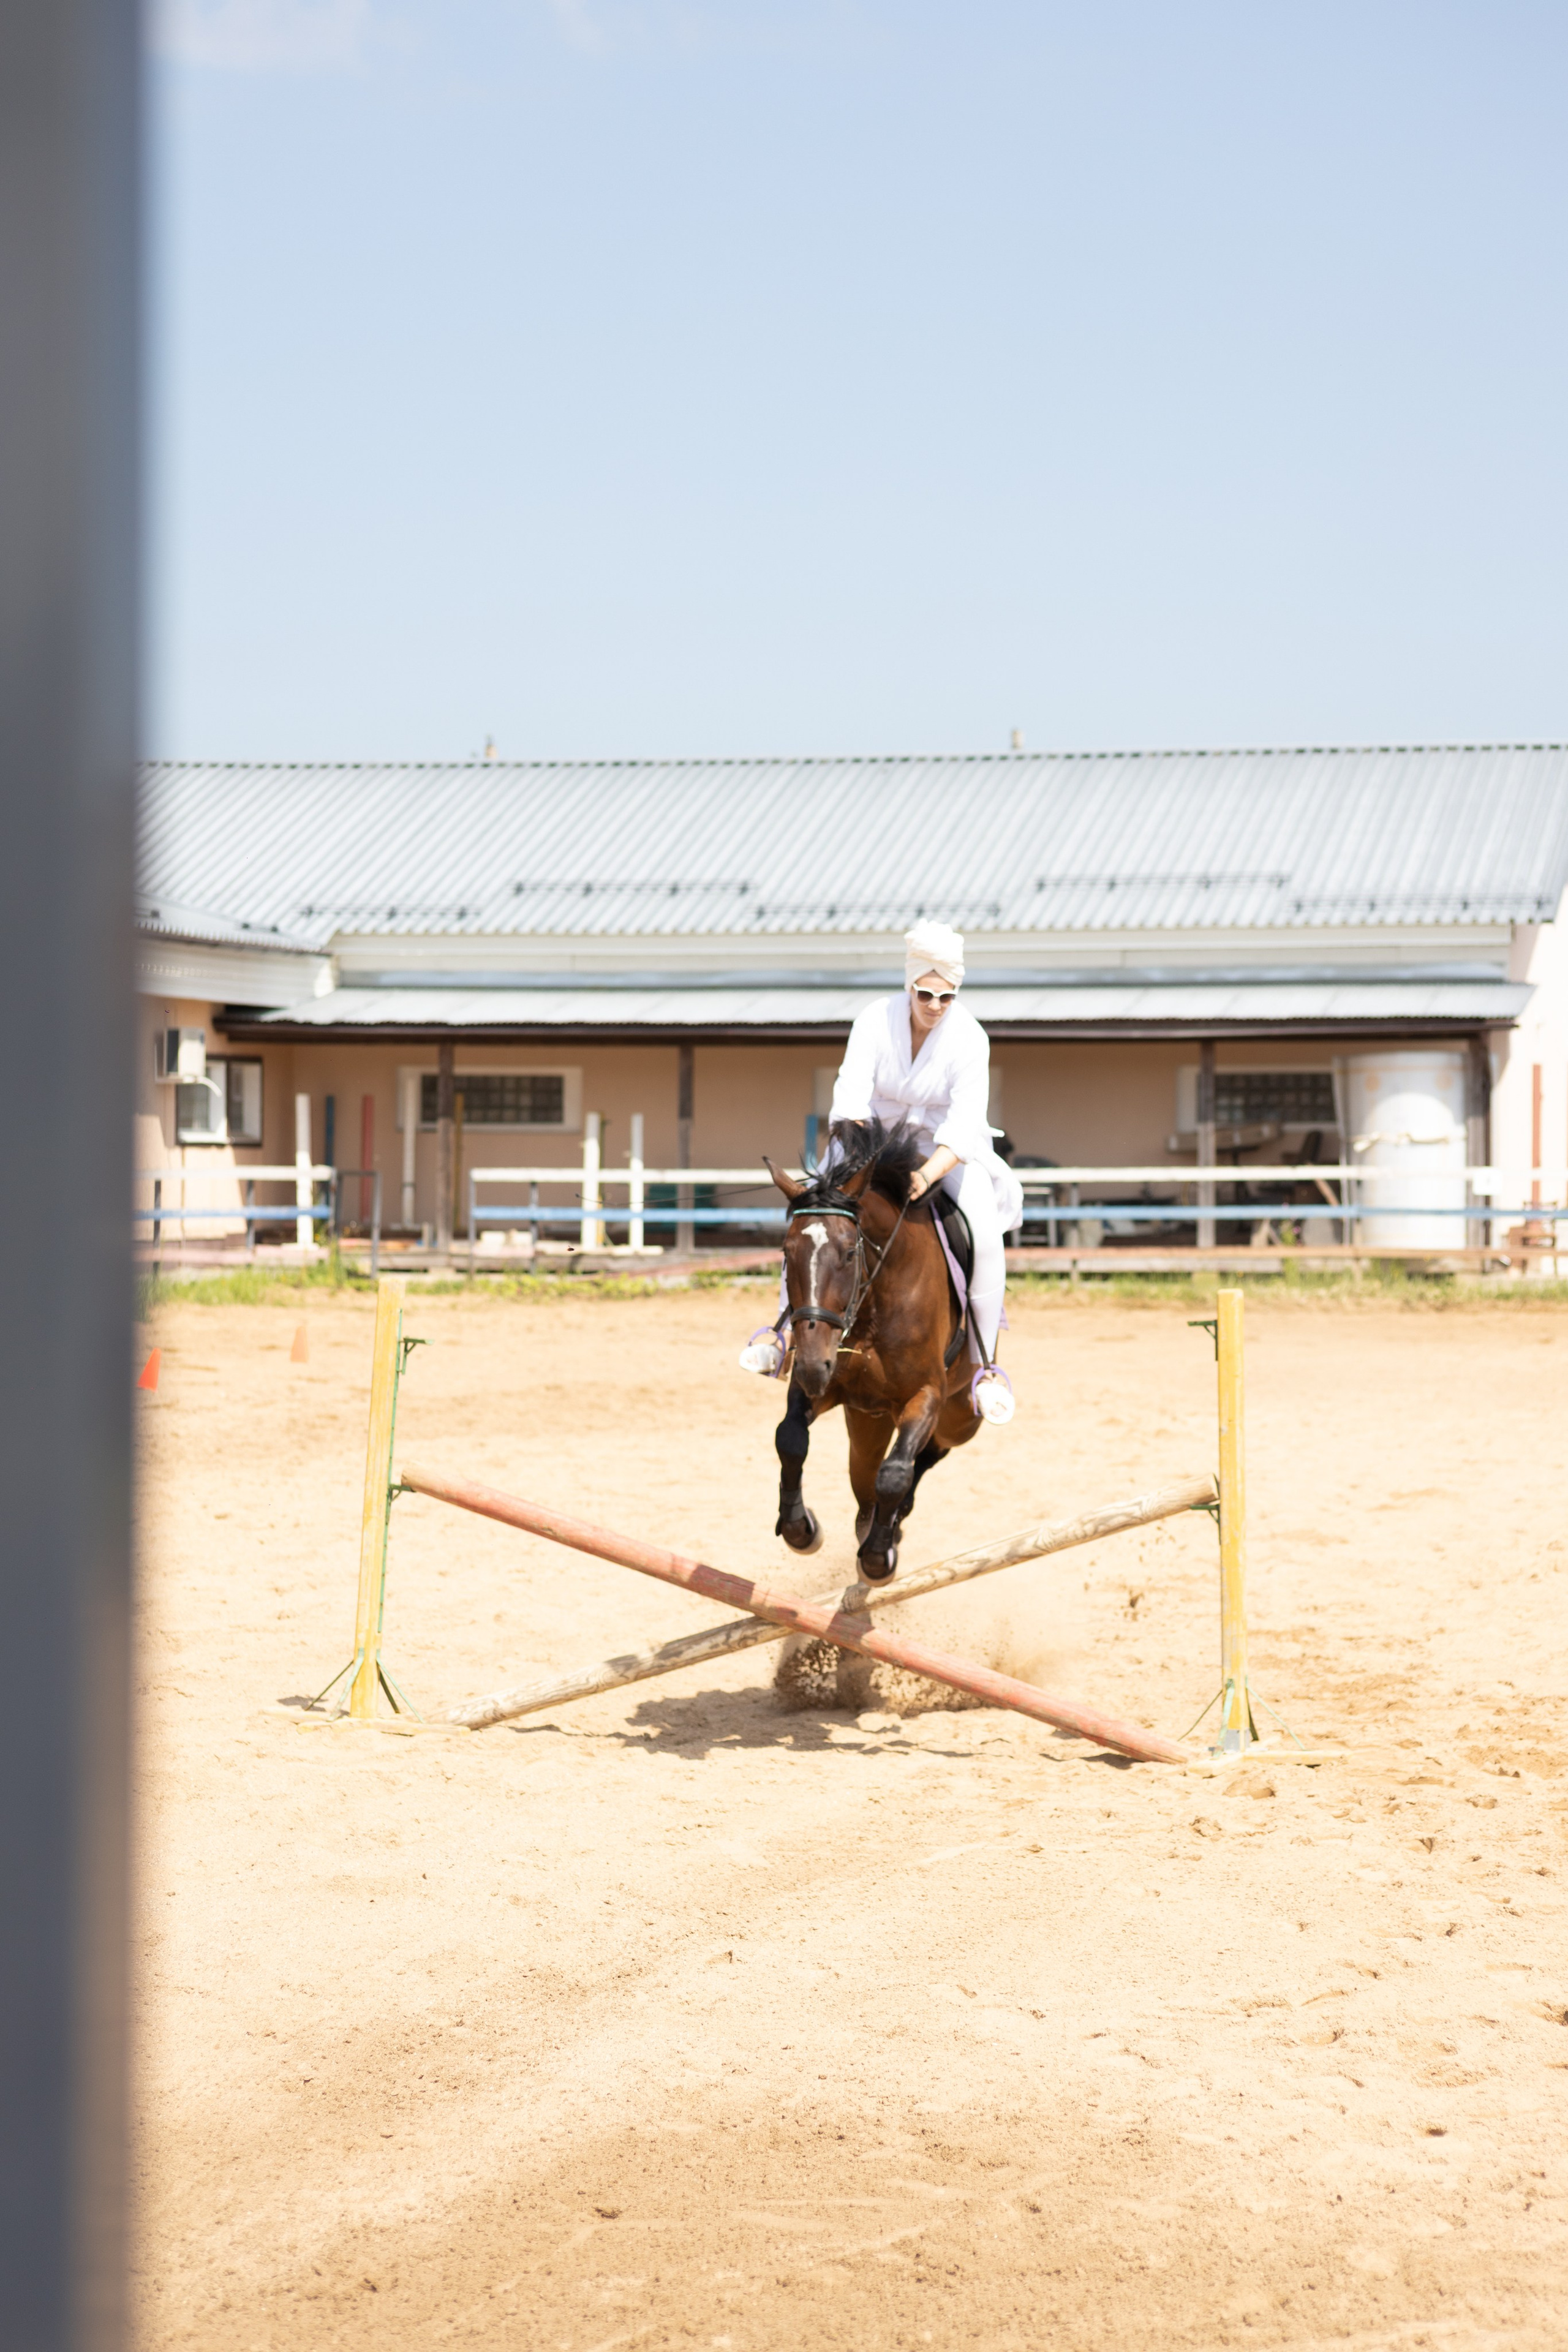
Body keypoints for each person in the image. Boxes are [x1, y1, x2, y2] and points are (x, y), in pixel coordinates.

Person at [741, 919, 1022, 1423]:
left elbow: (963, 1123)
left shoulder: (970, 1038)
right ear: (910, 986)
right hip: (866, 1141)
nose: (935, 1006)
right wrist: (860, 1158)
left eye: (946, 997)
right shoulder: (874, 1019)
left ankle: (984, 1367)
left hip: (943, 1150)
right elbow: (849, 1097)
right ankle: (780, 1335)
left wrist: (928, 1173)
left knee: (982, 1228)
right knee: (810, 1215)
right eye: (926, 994)